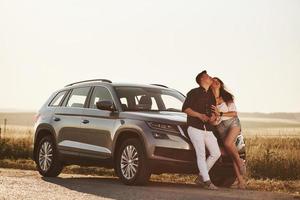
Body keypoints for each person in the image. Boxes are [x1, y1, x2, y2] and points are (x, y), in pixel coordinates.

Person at [182, 70, 221, 190]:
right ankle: (207, 181)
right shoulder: (193, 93)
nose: (210, 77)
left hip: (208, 129)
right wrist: (199, 115)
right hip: (194, 128)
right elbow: (185, 109)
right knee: (201, 154)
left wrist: (215, 116)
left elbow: (213, 115)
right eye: (207, 76)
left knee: (216, 153)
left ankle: (200, 177)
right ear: (202, 79)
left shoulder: (211, 95)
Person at [210, 77, 246, 189]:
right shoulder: (209, 100)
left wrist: (219, 113)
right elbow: (213, 121)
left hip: (233, 124)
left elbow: (234, 113)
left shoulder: (227, 97)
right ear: (210, 85)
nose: (215, 82)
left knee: (228, 143)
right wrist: (215, 118)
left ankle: (240, 162)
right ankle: (241, 181)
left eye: (217, 81)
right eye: (213, 81)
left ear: (220, 84)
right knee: (231, 154)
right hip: (220, 127)